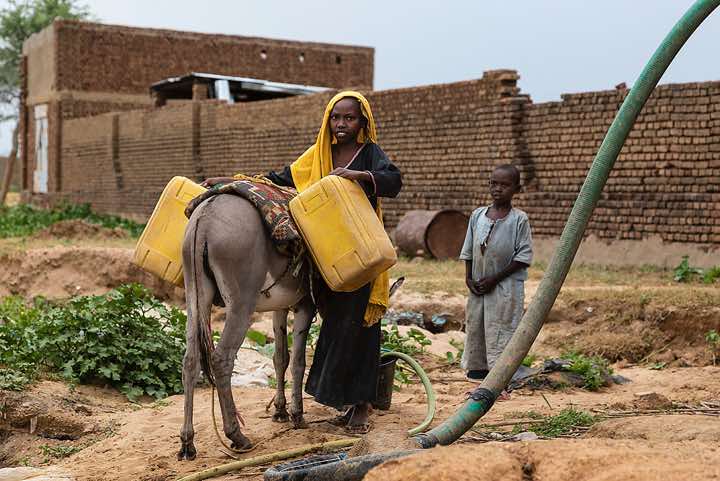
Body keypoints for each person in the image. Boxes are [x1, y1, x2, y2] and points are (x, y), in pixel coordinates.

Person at [203, 91, 402, 433]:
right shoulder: (319, 154)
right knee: (338, 323)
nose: (341, 124)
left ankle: (362, 406)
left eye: (349, 118)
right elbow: (279, 179)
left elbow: (394, 181)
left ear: (362, 122)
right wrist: (231, 182)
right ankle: (345, 398)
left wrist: (361, 177)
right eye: (336, 118)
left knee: (361, 326)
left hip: (361, 252)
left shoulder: (369, 153)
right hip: (328, 254)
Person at [459, 164, 532, 385]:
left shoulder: (519, 219)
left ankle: (501, 373)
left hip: (505, 287)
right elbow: (469, 249)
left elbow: (522, 257)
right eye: (494, 183)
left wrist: (495, 279)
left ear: (516, 189)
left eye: (505, 185)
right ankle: (477, 369)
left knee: (502, 327)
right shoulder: (477, 215)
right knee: (477, 325)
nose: (498, 189)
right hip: (479, 286)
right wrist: (468, 278)